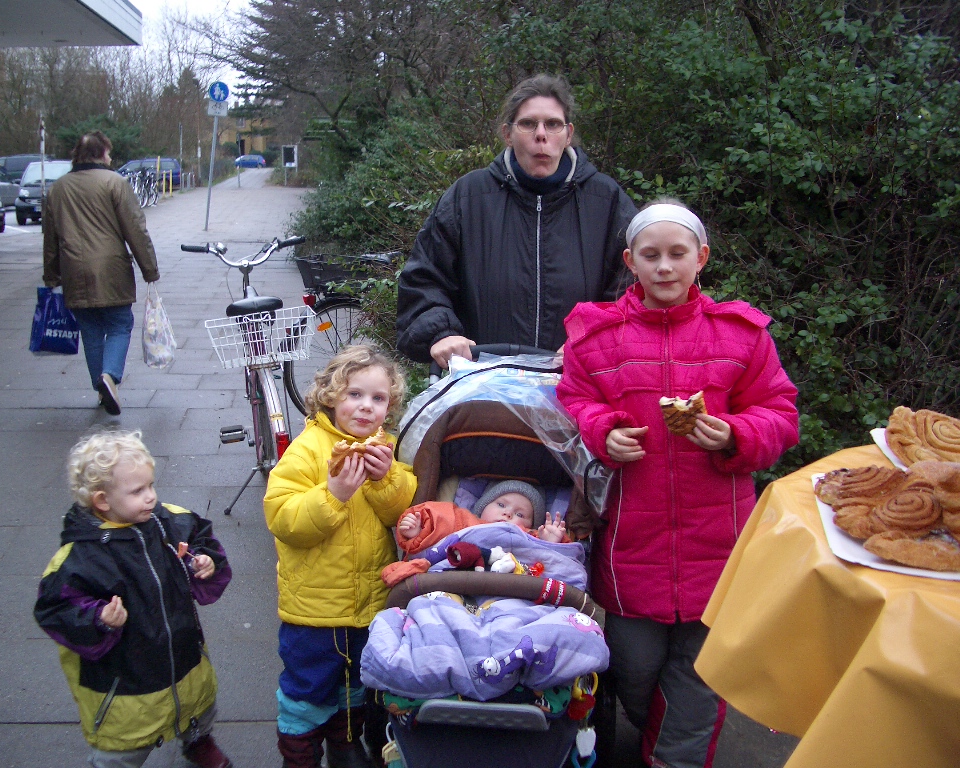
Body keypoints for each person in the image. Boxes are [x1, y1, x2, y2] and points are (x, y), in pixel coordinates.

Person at [555, 200, 800, 768]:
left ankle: (671, 758)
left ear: (701, 258)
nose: (664, 266)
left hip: (719, 544)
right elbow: (574, 401)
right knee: (633, 669)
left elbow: (781, 413)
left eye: (677, 253)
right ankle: (662, 741)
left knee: (700, 674)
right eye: (651, 255)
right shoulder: (597, 337)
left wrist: (737, 434)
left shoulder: (741, 334)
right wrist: (604, 431)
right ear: (630, 262)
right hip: (630, 545)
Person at [396, 73, 639, 368]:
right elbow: (423, 280)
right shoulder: (467, 198)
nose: (541, 134)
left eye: (553, 124)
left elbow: (633, 288)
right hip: (483, 381)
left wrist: (595, 337)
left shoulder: (606, 201)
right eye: (528, 123)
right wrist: (442, 333)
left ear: (568, 134)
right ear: (508, 133)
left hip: (580, 381)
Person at [33, 430, 233, 768]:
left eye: (151, 485)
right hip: (124, 681)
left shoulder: (168, 522)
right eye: (138, 491)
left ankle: (198, 741)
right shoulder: (78, 557)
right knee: (122, 747)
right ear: (102, 501)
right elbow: (56, 608)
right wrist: (97, 618)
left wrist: (203, 561)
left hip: (182, 654)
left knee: (197, 707)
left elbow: (200, 537)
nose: (151, 497)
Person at [263, 344, 418, 768]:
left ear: (389, 407)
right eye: (354, 394)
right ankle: (300, 754)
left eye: (378, 398)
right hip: (315, 609)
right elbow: (283, 518)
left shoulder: (385, 448)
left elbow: (399, 512)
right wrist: (333, 494)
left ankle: (345, 744)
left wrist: (386, 479)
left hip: (367, 603)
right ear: (331, 396)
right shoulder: (308, 449)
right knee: (307, 690)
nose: (366, 406)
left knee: (354, 683)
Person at [43, 131, 159, 415]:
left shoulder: (57, 189)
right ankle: (110, 376)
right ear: (100, 154)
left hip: (73, 271)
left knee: (91, 330)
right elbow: (135, 229)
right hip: (111, 269)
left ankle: (101, 389)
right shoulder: (114, 183)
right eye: (108, 152)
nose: (110, 157)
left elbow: (50, 238)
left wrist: (52, 277)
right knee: (120, 324)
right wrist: (149, 269)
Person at [396, 479, 568, 551]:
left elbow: (555, 564)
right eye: (501, 505)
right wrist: (419, 531)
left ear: (531, 525)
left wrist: (550, 543)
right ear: (483, 507)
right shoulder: (463, 521)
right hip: (459, 580)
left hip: (516, 587)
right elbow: (438, 520)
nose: (508, 513)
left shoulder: (532, 537)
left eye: (520, 514)